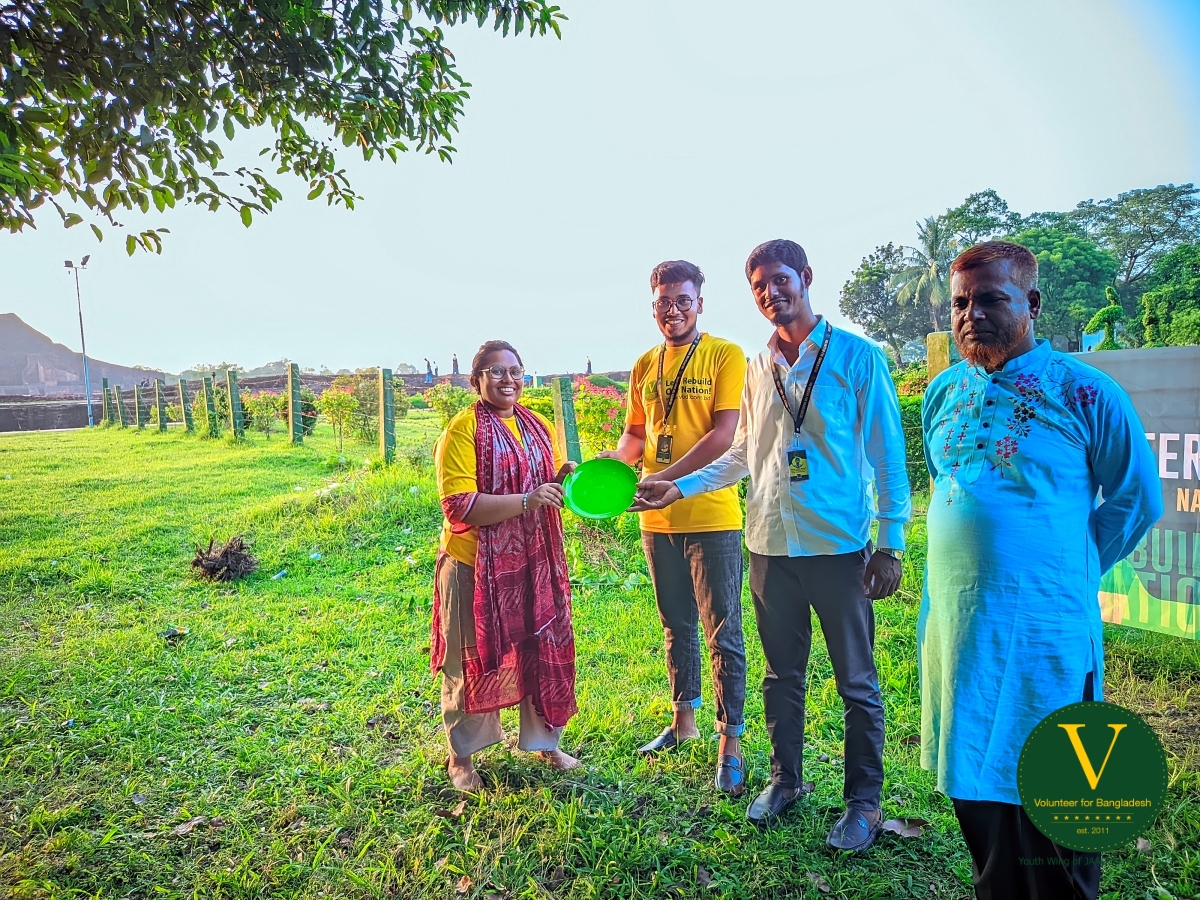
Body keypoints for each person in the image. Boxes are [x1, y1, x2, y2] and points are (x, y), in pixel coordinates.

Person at [635, 239, 911, 850]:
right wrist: (676, 487)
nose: (770, 293)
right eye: (759, 285)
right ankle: (786, 779)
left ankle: (863, 803)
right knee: (781, 674)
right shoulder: (759, 368)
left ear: (805, 277)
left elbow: (888, 456)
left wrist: (891, 544)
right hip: (769, 544)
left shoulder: (857, 358)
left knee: (856, 681)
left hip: (838, 545)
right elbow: (741, 455)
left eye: (780, 279)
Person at [919, 241, 1161, 899]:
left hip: (1045, 631)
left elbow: (1138, 499)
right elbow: (947, 483)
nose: (971, 315)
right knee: (976, 784)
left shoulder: (1087, 392)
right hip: (959, 631)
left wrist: (1068, 568)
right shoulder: (942, 392)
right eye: (960, 302)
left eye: (990, 299)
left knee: (1056, 790)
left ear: (1031, 303)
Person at [598, 259, 749, 794]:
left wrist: (666, 478)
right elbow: (635, 436)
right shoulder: (645, 363)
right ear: (654, 306)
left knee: (722, 630)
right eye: (664, 302)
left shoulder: (725, 355)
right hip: (655, 518)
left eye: (684, 301)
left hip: (711, 515)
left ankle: (730, 742)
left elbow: (724, 434)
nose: (674, 311)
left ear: (700, 304)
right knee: (674, 624)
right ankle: (683, 722)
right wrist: (614, 465)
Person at [431, 340, 581, 791]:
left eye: (514, 370)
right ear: (476, 380)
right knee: (472, 658)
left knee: (539, 647)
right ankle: (461, 757)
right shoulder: (463, 429)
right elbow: (459, 505)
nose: (508, 379)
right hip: (474, 566)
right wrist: (527, 500)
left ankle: (544, 742)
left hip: (533, 562)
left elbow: (538, 488)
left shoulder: (535, 424)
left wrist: (561, 481)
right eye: (495, 371)